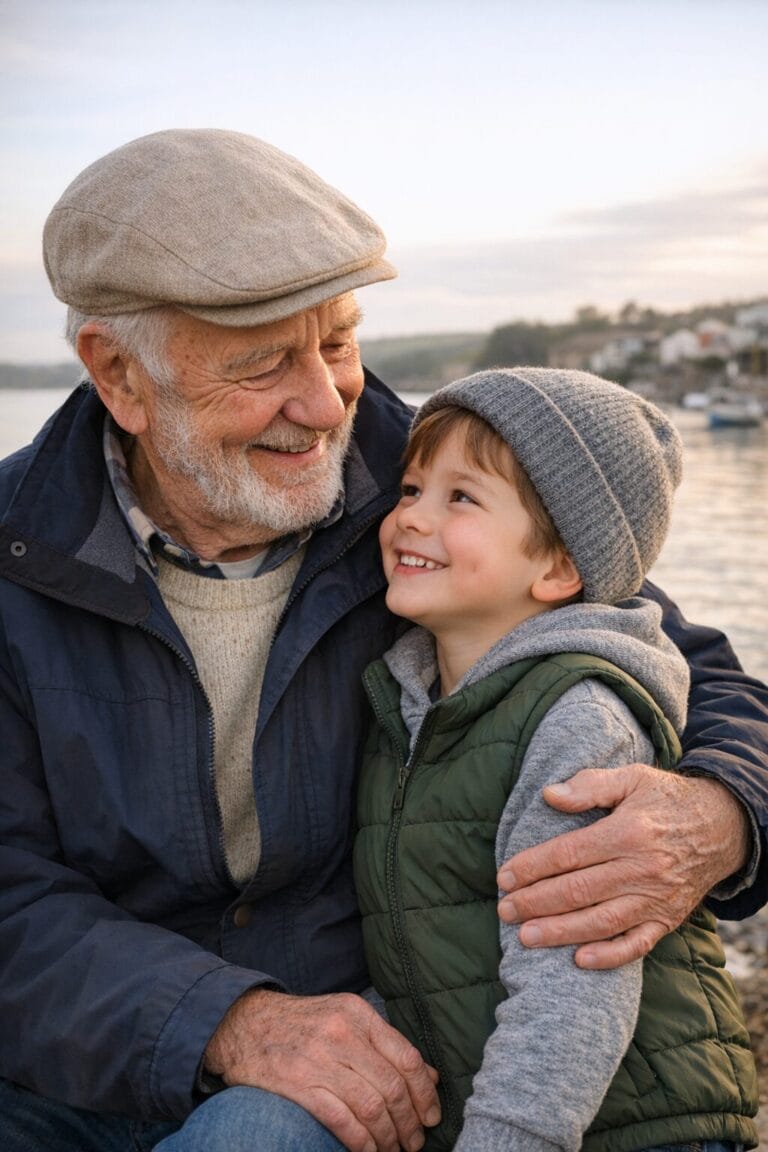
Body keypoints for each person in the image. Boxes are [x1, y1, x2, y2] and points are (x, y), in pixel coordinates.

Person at [0, 128, 765, 1152]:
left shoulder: (430, 494)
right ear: (119, 375)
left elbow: (672, 660)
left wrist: (721, 810)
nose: (325, 404)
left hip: (352, 1072)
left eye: (339, 341)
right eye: (263, 361)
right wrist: (220, 1020)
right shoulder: (15, 545)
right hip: (65, 1054)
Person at [353, 368, 759, 1152]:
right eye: (410, 489)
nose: (412, 518)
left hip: (640, 1131)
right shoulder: (408, 705)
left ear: (560, 569)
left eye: (461, 498)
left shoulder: (578, 721)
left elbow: (570, 990)